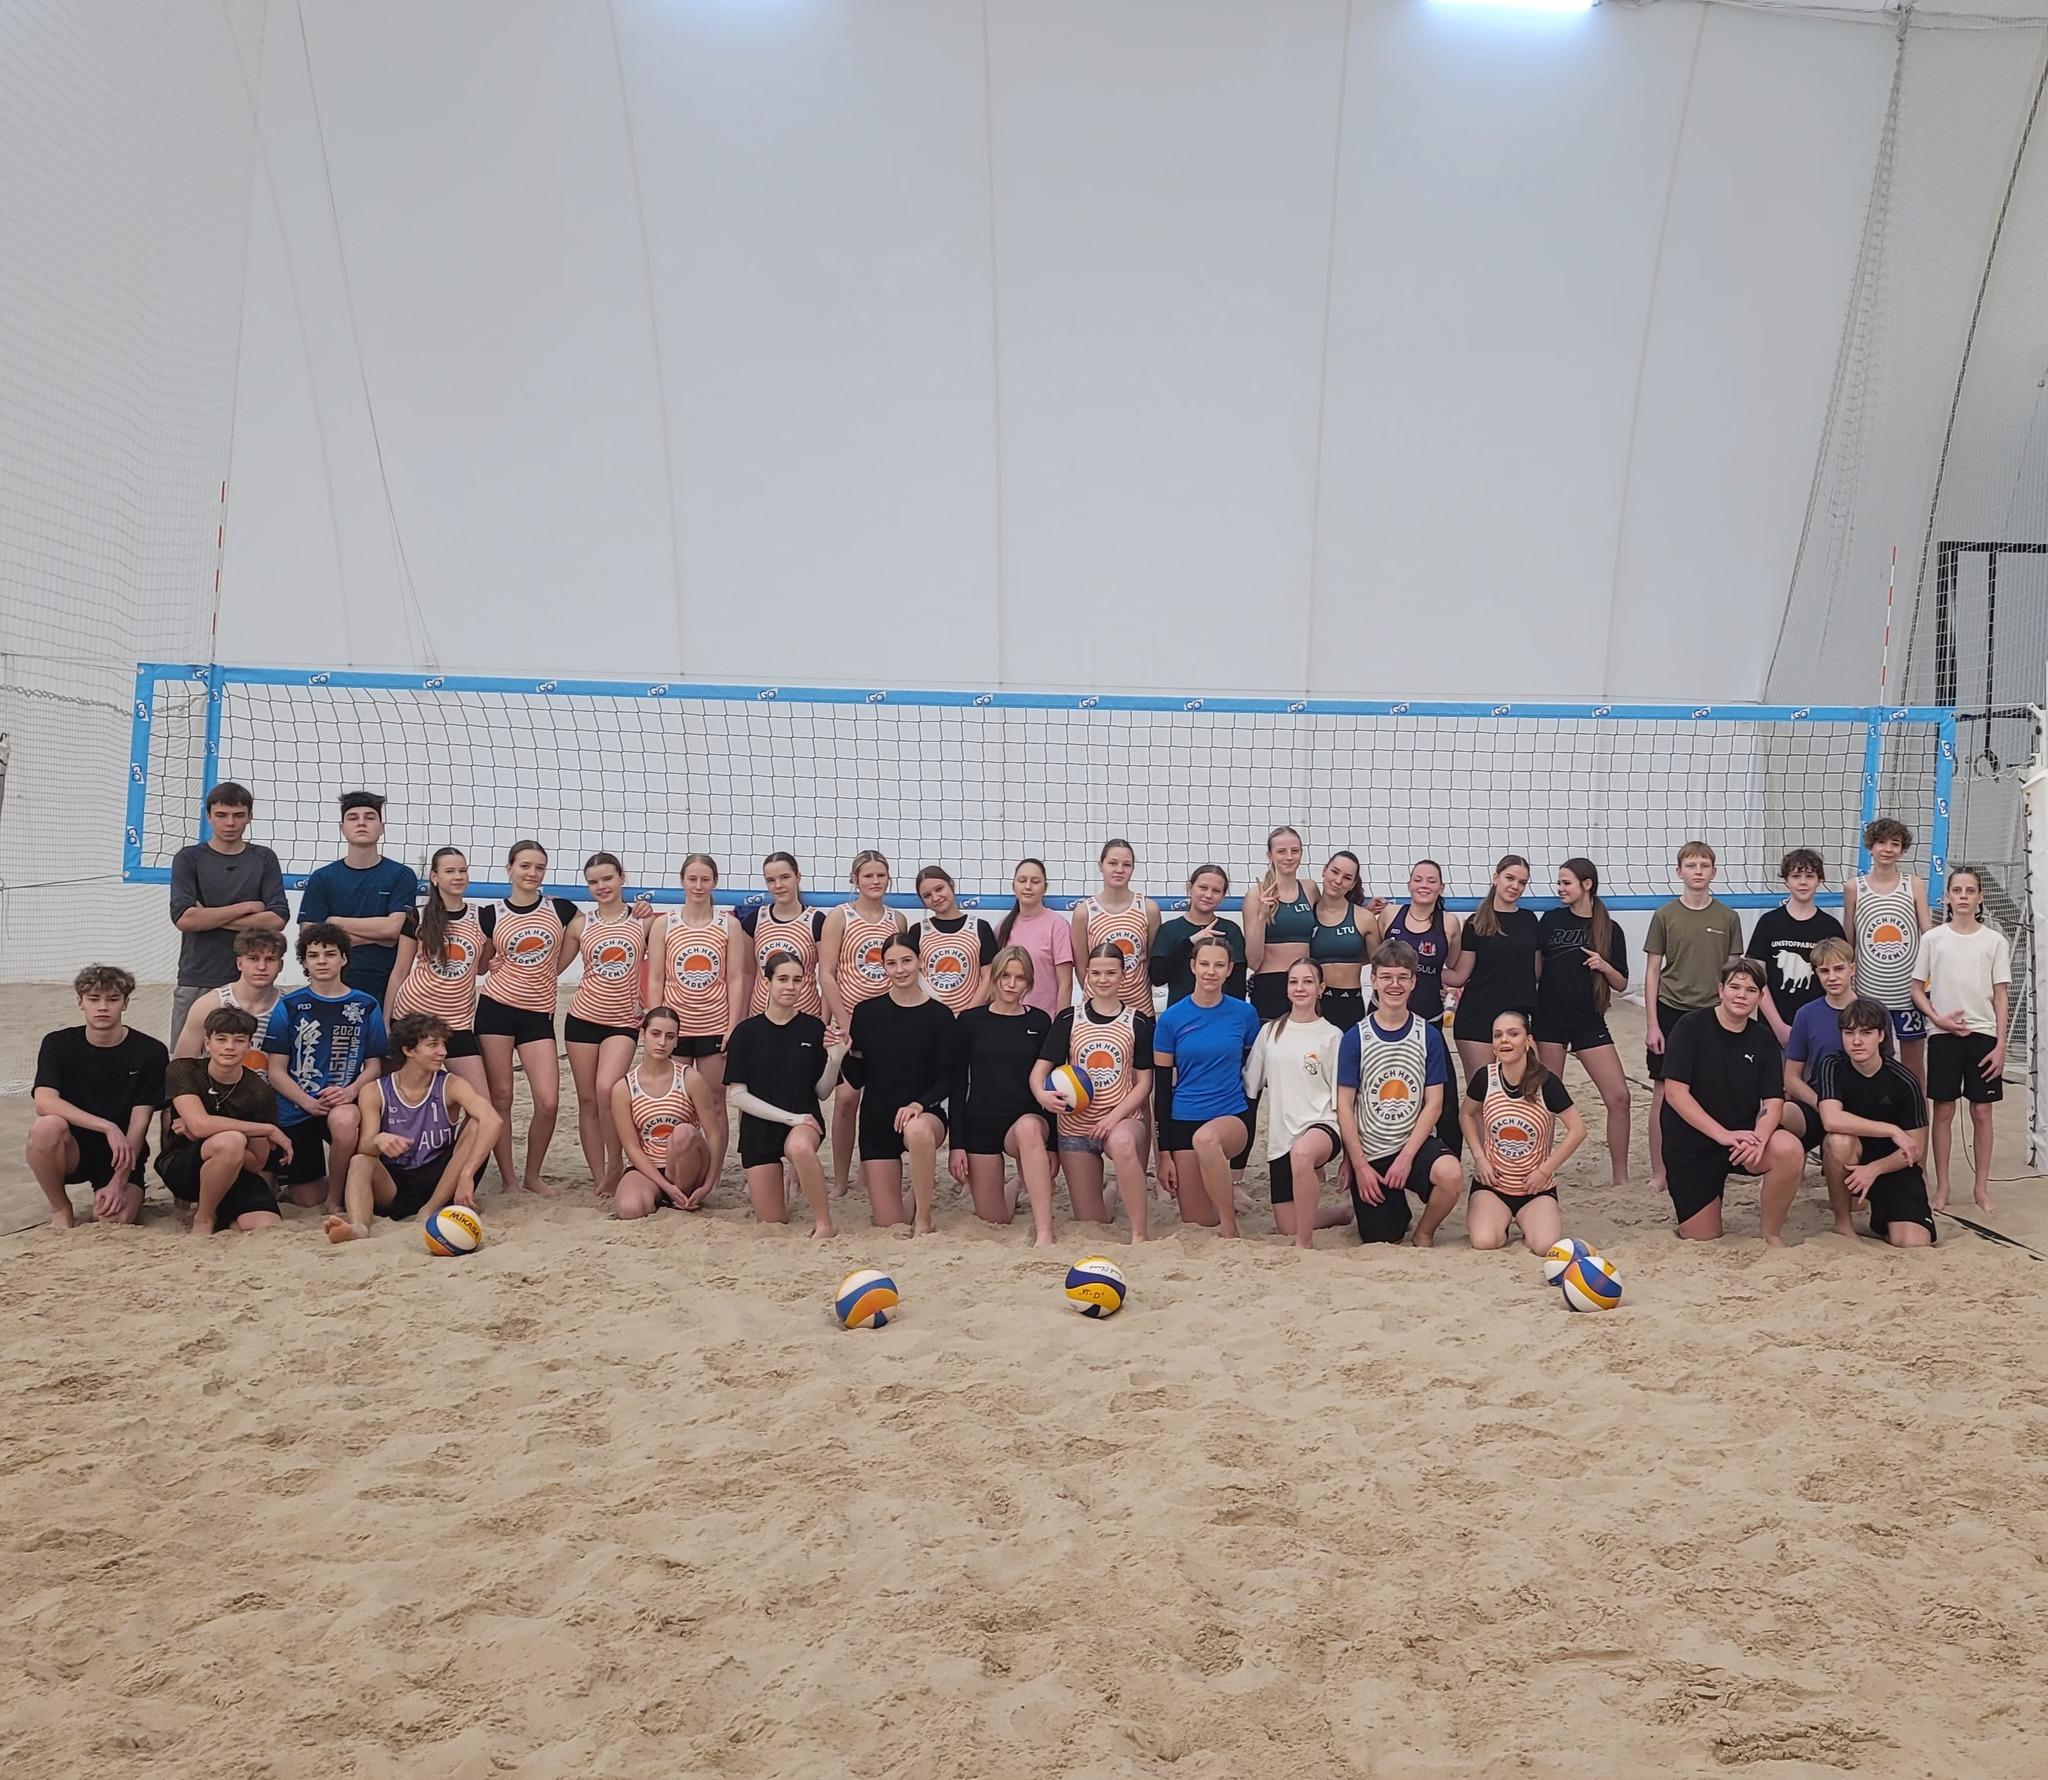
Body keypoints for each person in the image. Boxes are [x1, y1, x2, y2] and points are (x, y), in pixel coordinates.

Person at [1657, 957, 1803, 1244]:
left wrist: (1760, 1138)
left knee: (1788, 1148)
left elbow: (1774, 1102)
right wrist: (1722, 1134)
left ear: (1760, 997)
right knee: (1704, 1236)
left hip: (1741, 1140)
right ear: (1720, 989)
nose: (1741, 995)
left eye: (1750, 990)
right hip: (1692, 1143)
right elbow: (1675, 1093)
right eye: (1735, 987)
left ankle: (1770, 1233)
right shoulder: (1691, 1026)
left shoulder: (1763, 1038)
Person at [323, 1013, 502, 1242]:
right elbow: (365, 1146)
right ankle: (358, 1227)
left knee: (477, 1124)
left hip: (442, 1179)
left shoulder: (452, 1084)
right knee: (360, 1160)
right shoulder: (375, 1090)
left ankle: (430, 1209)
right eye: (433, 1045)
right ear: (408, 1050)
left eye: (443, 1044)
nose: (443, 1052)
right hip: (395, 1184)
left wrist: (468, 1174)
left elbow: (493, 1120)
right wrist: (378, 1140)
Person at [1336, 942, 1465, 1247]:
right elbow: (1344, 1107)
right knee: (1382, 1236)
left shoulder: (1428, 1036)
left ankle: (1424, 1232)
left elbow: (1434, 1104)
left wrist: (1406, 1158)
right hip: (1372, 1153)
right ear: (1374, 980)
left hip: (1411, 1146)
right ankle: (1397, 1210)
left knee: (1451, 1175)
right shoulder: (1355, 1037)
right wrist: (1359, 1165)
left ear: (1413, 982)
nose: (1394, 984)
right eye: (1386, 977)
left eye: (1402, 977)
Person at [474, 840, 580, 1196]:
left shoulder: (561, 909)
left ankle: (533, 1175)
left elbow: (587, 931)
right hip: (496, 1009)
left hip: (538, 1014)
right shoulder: (491, 914)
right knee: (502, 1097)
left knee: (548, 1101)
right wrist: (489, 961)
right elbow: (480, 965)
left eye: (539, 867)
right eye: (525, 866)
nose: (532, 873)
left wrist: (555, 970)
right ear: (510, 869)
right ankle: (509, 1181)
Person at [27, 964, 169, 1229]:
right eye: (93, 999)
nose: (102, 1007)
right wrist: (107, 1126)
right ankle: (61, 1207)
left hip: (121, 1153)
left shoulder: (151, 1051)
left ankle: (113, 1188)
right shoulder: (58, 1043)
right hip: (72, 1149)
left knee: (112, 1218)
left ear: (125, 1003)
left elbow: (140, 1123)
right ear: (80, 1002)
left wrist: (119, 1181)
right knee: (46, 1127)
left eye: (112, 999)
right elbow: (44, 1102)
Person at [1643, 841, 1745, 1193]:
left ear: (1714, 872)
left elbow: (1734, 974)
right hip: (1671, 1010)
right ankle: (1660, 1171)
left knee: (1712, 1091)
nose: (1698, 871)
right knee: (1663, 1092)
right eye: (1691, 865)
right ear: (1679, 872)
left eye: (1704, 865)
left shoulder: (1728, 917)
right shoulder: (1665, 915)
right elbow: (1652, 971)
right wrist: (1652, 1024)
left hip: (1713, 1013)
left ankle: (1712, 1164)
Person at [1033, 945, 1154, 1241]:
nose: (1103, 979)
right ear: (1087, 975)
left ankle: (1139, 1234)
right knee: (1091, 1219)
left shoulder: (1138, 1022)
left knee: (1122, 1143)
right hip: (1076, 1128)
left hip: (1121, 1120)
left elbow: (1144, 1083)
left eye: (1111, 972)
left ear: (1123, 975)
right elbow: (1039, 1071)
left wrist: (1113, 1119)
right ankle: (1112, 1190)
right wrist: (1042, 1094)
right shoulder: (1068, 1019)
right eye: (1096, 973)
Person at [263, 923, 388, 1210]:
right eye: (313, 955)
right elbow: (276, 1071)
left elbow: (374, 1066)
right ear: (305, 962)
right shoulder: (290, 1005)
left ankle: (335, 1198)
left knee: (344, 1121)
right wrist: (306, 1101)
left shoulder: (365, 1004)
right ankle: (299, 1185)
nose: (321, 961)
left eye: (330, 954)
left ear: (343, 958)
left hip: (341, 1101)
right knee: (306, 1199)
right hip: (298, 1106)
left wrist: (350, 1091)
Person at [1911, 866, 2012, 1214]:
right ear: (1948, 897)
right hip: (1944, 1034)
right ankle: (1943, 1188)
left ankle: (1981, 1188)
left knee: (1982, 1111)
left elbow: (2001, 996)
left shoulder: (1994, 942)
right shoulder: (1933, 939)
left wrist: (2000, 1045)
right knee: (1943, 1109)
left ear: (1980, 897)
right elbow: (1916, 989)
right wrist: (1936, 1018)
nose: (1964, 896)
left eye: (1970, 891)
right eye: (1958, 890)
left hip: (1983, 1034)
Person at [725, 951, 845, 1238]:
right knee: (773, 1220)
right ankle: (785, 1182)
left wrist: (835, 1060)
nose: (790, 986)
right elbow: (738, 1096)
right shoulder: (745, 1032)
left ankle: (824, 1223)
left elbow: (822, 1092)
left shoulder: (813, 1028)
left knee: (800, 1148)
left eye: (797, 980)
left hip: (804, 1122)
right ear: (767, 982)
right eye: (782, 979)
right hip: (761, 1130)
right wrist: (789, 1118)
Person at [844, 930, 956, 1233]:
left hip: (925, 1115)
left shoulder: (940, 1016)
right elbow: (856, 1078)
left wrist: (919, 1104)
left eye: (906, 961)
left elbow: (948, 1079)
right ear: (883, 967)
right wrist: (842, 1054)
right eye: (892, 963)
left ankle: (924, 1217)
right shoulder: (866, 1013)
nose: (900, 969)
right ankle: (916, 1191)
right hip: (877, 1121)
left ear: (920, 962)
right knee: (889, 1222)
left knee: (916, 1129)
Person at [1152, 933, 1262, 1237]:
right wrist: (1164, 1154)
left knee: (1207, 1139)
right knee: (1198, 1220)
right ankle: (1223, 1202)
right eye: (1204, 964)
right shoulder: (1171, 1019)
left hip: (1230, 1116)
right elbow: (1162, 1087)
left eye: (1219, 965)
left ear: (1229, 970)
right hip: (1184, 1118)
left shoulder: (1245, 1014)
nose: (1211, 971)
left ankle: (1230, 1229)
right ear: (1193, 967)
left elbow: (1253, 1077)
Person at [947, 945, 1057, 1244]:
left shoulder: (1039, 1021)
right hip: (980, 1123)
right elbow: (958, 1085)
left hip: (1025, 1118)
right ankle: (1015, 1185)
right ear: (994, 977)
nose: (1011, 984)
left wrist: (1053, 1145)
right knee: (994, 1218)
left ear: (1029, 983)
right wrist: (957, 1145)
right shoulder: (970, 1021)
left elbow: (1050, 1084)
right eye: (1005, 976)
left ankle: (1044, 1232)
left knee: (1028, 1128)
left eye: (1019, 978)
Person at [1534, 857, 1631, 1184]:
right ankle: (1540, 1171)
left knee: (1619, 1097)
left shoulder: (1609, 929)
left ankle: (1620, 1178)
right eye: (1559, 882)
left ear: (1586, 885)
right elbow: (1535, 969)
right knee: (1548, 1100)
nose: (1559, 888)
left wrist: (1603, 965)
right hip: (1549, 1020)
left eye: (1566, 883)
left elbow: (1621, 984)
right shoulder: (1550, 920)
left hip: (1588, 1020)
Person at [1242, 958, 1351, 1247]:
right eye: (1294, 982)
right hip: (1282, 1138)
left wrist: (1350, 1158)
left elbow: (1344, 1100)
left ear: (1321, 988)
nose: (1300, 988)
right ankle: (1341, 1214)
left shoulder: (1333, 1036)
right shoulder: (1270, 1032)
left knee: (1303, 1153)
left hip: (1323, 1125)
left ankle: (1305, 1244)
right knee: (1287, 1225)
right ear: (1287, 988)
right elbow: (1250, 1086)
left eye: (1308, 981)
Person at [167, 780, 288, 1041]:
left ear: (249, 816)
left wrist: (207, 917)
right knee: (186, 1058)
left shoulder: (264, 858)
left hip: (251, 979)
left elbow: (277, 919)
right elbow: (185, 918)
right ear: (208, 816)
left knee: (251, 1057)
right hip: (198, 975)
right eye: (221, 815)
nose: (230, 823)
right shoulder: (189, 858)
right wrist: (246, 908)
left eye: (238, 815)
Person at [646, 853, 743, 1171]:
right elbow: (656, 977)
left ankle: (713, 1172)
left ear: (714, 882)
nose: (698, 886)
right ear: (682, 881)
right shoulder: (665, 924)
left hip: (714, 1025)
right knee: (678, 1101)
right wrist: (655, 1022)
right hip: (675, 1029)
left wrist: (733, 1025)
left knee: (715, 1101)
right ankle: (679, 1168)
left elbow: (735, 978)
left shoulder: (728, 924)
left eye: (705, 879)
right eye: (692, 879)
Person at [1814, 999, 1936, 1248]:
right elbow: (1830, 1118)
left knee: (1913, 1242)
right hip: (1852, 1158)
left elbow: (1915, 1148)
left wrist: (1874, 1169)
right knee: (1838, 1140)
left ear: (1881, 1036)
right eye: (1849, 1033)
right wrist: (1891, 1130)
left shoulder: (1904, 1081)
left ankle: (1883, 1215)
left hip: (1891, 1165)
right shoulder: (1832, 1065)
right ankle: (1843, 1224)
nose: (1856, 1041)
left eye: (1866, 1032)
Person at [567, 851, 655, 1194]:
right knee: (587, 1099)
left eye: (607, 878)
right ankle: (599, 1175)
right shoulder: (581, 925)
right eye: (593, 882)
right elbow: (551, 968)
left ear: (621, 877)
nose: (601, 886)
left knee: (608, 1089)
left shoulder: (644, 921)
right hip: (582, 1018)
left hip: (622, 1022)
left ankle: (616, 1163)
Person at [158, 1007, 289, 1236]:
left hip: (236, 1170)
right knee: (230, 1140)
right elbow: (199, 1124)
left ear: (249, 1045)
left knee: (265, 1223)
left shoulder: (259, 1091)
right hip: (183, 1166)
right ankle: (204, 1217)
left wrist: (214, 1133)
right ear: (207, 1043)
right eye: (221, 1039)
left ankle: (223, 1217)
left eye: (239, 1040)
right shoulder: (184, 1070)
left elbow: (256, 1163)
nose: (229, 1047)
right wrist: (264, 1129)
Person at [1461, 1010, 1583, 1255]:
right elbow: (1466, 1114)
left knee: (1544, 1246)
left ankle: (1529, 1220)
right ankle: (1500, 1219)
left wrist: (1544, 1170)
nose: (1504, 1040)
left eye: (1513, 1034)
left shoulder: (1546, 1083)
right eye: (1498, 1035)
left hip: (1534, 1189)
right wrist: (1479, 1158)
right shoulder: (1486, 1078)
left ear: (1528, 1041)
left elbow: (1578, 1130)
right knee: (1485, 1241)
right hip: (1494, 1185)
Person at [819, 850, 905, 1195]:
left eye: (881, 875)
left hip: (889, 1025)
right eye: (868, 875)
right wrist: (844, 1023)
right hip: (850, 1022)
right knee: (845, 1101)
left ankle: (870, 1175)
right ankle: (841, 1179)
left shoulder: (897, 920)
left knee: (881, 1101)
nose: (875, 881)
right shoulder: (840, 916)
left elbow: (903, 973)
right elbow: (827, 974)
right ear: (855, 879)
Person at [385, 847, 491, 1100]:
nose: (458, 876)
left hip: (457, 1022)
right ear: (434, 877)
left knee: (481, 1103)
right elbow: (400, 972)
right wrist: (385, 1022)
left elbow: (482, 968)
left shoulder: (483, 917)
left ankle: (451, 1129)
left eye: (462, 871)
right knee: (408, 1100)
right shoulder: (417, 915)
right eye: (450, 871)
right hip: (413, 1017)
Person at [297, 791, 421, 998]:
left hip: (385, 986)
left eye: (370, 817)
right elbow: (309, 937)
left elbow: (393, 929)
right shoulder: (322, 877)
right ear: (342, 828)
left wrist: (333, 922)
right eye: (353, 818)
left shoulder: (401, 875)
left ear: (382, 827)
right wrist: (379, 938)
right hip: (332, 985)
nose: (361, 823)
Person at [1782, 937, 1863, 1237]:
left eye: (1839, 969)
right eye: (1824, 971)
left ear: (1852, 969)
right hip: (1816, 1103)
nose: (1832, 977)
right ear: (1816, 973)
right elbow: (1791, 1078)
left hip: (1858, 1109)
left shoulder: (1871, 1011)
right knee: (1777, 1113)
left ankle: (1844, 1218)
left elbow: (1885, 1073)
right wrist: (1823, 1104)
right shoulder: (1806, 1014)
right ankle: (1778, 1189)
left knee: (1840, 1142)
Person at [1843, 817, 1934, 1085]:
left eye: (1895, 843)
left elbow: (1928, 934)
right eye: (1881, 842)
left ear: (1902, 850)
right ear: (1870, 847)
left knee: (1914, 1067)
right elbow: (1849, 940)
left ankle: (1917, 1113)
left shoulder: (1913, 884)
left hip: (1908, 993)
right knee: (1870, 1061)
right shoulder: (1854, 887)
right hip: (1868, 992)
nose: (1887, 849)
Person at [609, 1006, 715, 1219]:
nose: (662, 1042)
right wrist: (665, 1186)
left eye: (670, 1036)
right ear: (643, 1034)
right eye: (655, 1034)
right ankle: (662, 1195)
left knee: (684, 1133)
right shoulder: (624, 1088)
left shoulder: (690, 1078)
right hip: (649, 1167)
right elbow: (631, 1147)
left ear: (676, 1041)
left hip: (686, 1163)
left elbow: (714, 1134)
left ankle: (682, 1194)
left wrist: (709, 1184)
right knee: (629, 1209)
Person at [1445, 854, 1539, 1081]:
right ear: (1496, 877)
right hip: (1477, 1016)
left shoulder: (1529, 920)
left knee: (1524, 1088)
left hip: (1517, 1016)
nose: (1515, 886)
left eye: (1522, 882)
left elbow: (1536, 971)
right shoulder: (1476, 922)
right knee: (1481, 1090)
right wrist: (1421, 966)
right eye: (1510, 878)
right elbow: (1459, 975)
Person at [1746, 848, 1845, 1044]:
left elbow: (1840, 979)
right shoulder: (1768, 923)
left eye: (1810, 876)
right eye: (1796, 876)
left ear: (1820, 880)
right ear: (1786, 880)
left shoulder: (1830, 926)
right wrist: (1778, 1026)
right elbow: (1756, 978)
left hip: (1819, 1026)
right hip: (1772, 1026)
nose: (1803, 882)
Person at [171, 928, 286, 1067]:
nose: (261, 967)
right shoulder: (208, 1005)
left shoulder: (289, 1007)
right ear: (239, 963)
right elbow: (181, 1065)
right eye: (253, 958)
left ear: (280, 965)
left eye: (270, 959)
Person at [1071, 839, 1159, 1016]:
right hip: (1097, 1010)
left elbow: (1150, 959)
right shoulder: (1084, 912)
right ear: (1100, 866)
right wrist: (1101, 992)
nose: (1119, 870)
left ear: (1132, 869)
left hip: (1140, 1008)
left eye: (1126, 865)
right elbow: (1082, 967)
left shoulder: (1148, 909)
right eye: (1112, 863)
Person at [737, 852, 826, 1018]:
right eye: (771, 880)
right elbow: (747, 974)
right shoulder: (755, 920)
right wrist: (742, 1020)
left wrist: (824, 1022)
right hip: (761, 1016)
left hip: (805, 1016)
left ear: (798, 877)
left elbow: (827, 975)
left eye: (785, 877)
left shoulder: (816, 921)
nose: (778, 885)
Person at [1243, 824, 1313, 1021]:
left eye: (1295, 851)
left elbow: (1334, 914)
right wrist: (1262, 916)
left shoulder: (1310, 889)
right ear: (1270, 855)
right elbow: (1253, 961)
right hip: (1270, 983)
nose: (1289, 857)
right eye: (1281, 851)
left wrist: (1365, 910)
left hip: (1304, 982)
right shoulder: (1256, 895)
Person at [1150, 865, 1246, 1005]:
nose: (1208, 895)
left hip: (1222, 1013)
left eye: (1216, 891)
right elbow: (1157, 978)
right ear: (1190, 888)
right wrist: (1190, 942)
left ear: (1223, 896)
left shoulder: (1230, 930)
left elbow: (1238, 986)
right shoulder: (1169, 929)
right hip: (1182, 1012)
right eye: (1203, 888)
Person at [912, 865, 999, 1012]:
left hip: (969, 1016)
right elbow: (913, 977)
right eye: (927, 895)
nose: (935, 898)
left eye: (939, 889)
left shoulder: (980, 928)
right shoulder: (917, 931)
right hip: (930, 1016)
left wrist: (968, 1014)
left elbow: (988, 977)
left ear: (951, 884)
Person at [995, 857, 1074, 1018]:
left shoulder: (1058, 926)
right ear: (1013, 886)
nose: (1028, 886)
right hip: (1007, 1019)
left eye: (1035, 881)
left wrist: (1060, 1025)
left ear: (1045, 888)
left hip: (1044, 1021)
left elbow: (1065, 984)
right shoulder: (1002, 926)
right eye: (1022, 880)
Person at [1309, 851, 1369, 1030]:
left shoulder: (1364, 918)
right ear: (1324, 870)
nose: (1338, 880)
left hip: (1350, 1004)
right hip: (1315, 1002)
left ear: (1353, 884)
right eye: (1334, 872)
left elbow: (1379, 962)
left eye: (1347, 877)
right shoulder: (1306, 916)